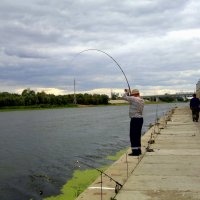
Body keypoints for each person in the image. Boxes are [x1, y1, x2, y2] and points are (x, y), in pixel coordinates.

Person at [122, 88, 144, 156]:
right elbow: (131, 101)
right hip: (140, 119)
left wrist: (127, 92)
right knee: (138, 135)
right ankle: (139, 150)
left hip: (135, 119)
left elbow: (124, 97)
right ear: (138, 94)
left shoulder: (133, 98)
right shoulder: (142, 100)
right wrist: (130, 94)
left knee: (133, 135)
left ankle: (135, 152)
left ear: (133, 94)